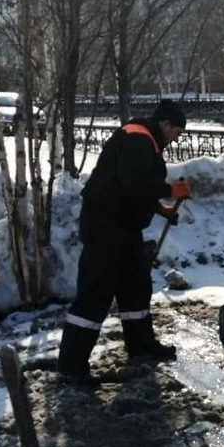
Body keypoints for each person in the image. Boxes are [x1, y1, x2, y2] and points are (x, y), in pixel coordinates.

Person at [57, 99, 192, 381]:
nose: (176, 139)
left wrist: (160, 209)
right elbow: (134, 183)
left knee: (136, 287)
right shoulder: (138, 139)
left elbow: (128, 188)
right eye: (177, 132)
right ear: (166, 125)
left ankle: (141, 347)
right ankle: (71, 366)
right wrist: (170, 189)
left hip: (124, 226)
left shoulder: (146, 141)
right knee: (95, 294)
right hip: (105, 226)